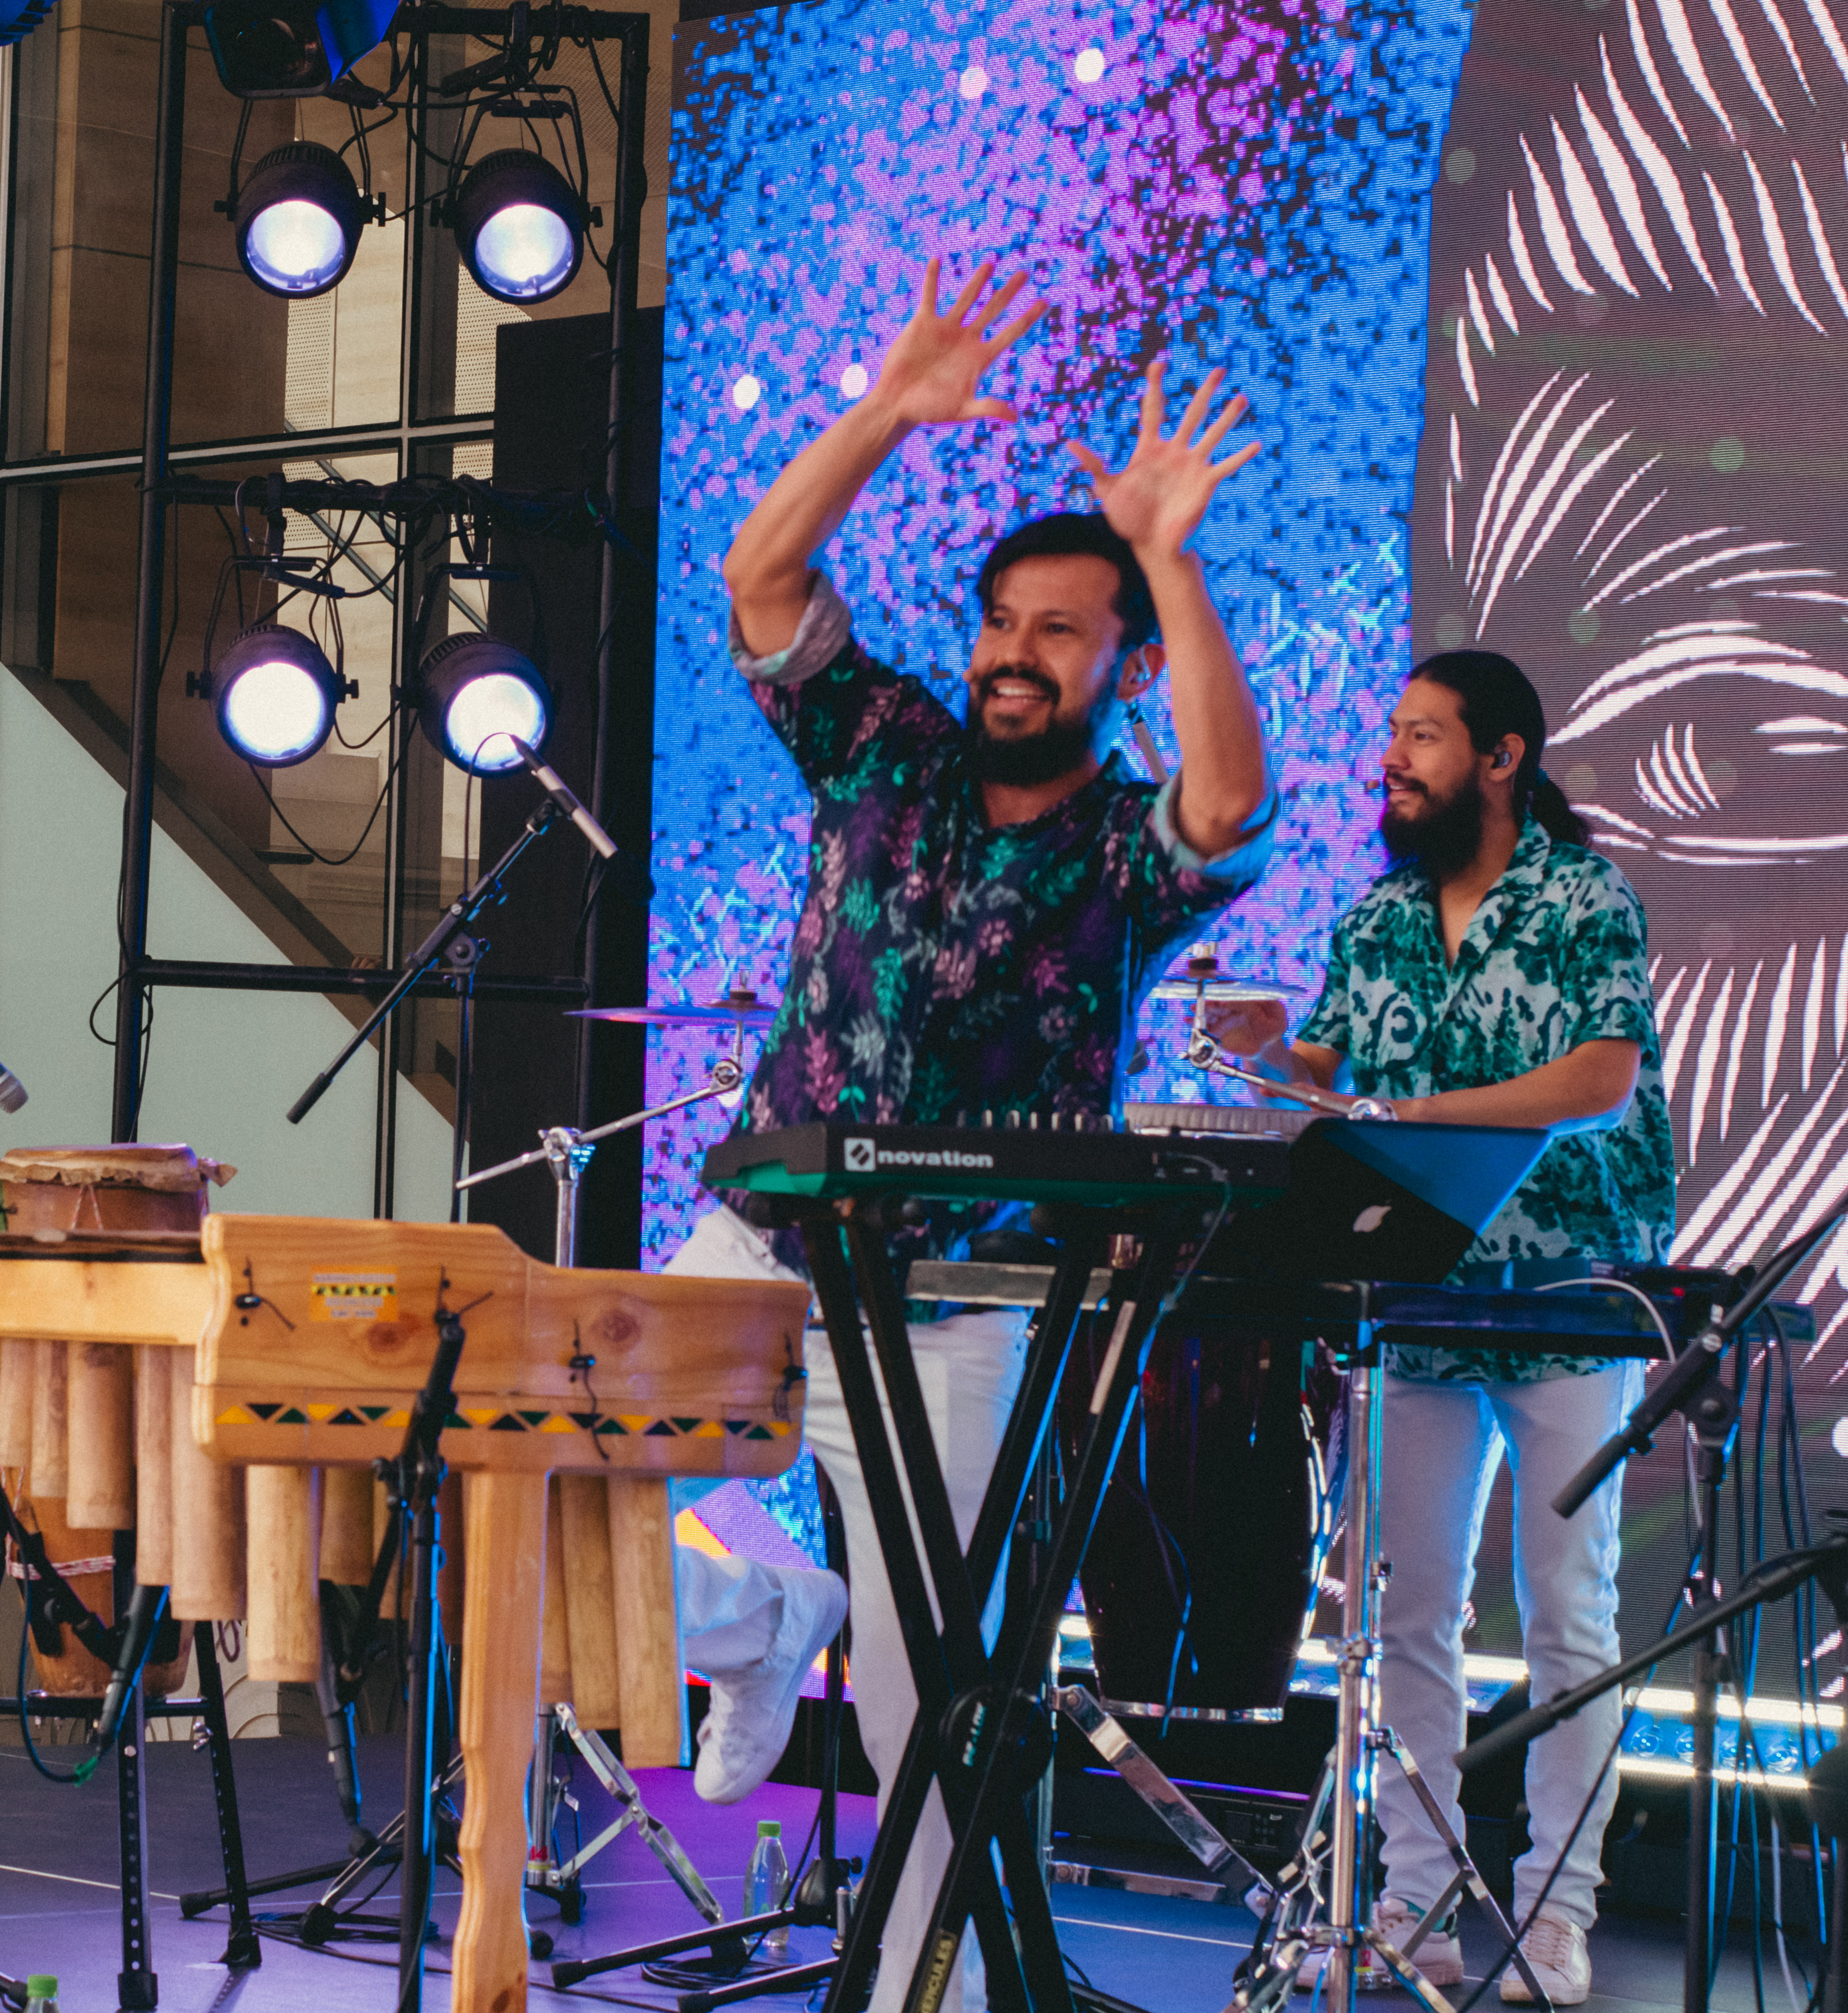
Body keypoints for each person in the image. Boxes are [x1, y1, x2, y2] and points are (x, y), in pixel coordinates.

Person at [669, 259, 1276, 2012]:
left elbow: (1231, 802)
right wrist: (883, 412)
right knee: (559, 1497)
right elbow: (761, 578)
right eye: (1003, 620)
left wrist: (1168, 558)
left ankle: (913, 1992)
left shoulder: (1125, 849)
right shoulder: (887, 749)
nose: (1013, 650)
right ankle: (762, 1620)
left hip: (958, 1306)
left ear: (1125, 667)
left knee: (925, 1698)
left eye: (1061, 630)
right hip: (763, 1247)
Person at [1208, 650, 1676, 2006]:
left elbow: (1600, 1077)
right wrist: (1268, 1053)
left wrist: (1407, 1116)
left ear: (1502, 756)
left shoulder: (1585, 895)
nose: (1393, 758)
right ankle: (1413, 1895)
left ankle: (1556, 1911)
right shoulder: (1378, 916)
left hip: (1569, 1295)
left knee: (1569, 1611)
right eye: (1394, 734)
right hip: (1413, 1290)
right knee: (1406, 1610)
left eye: (1424, 735)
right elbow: (1329, 1074)